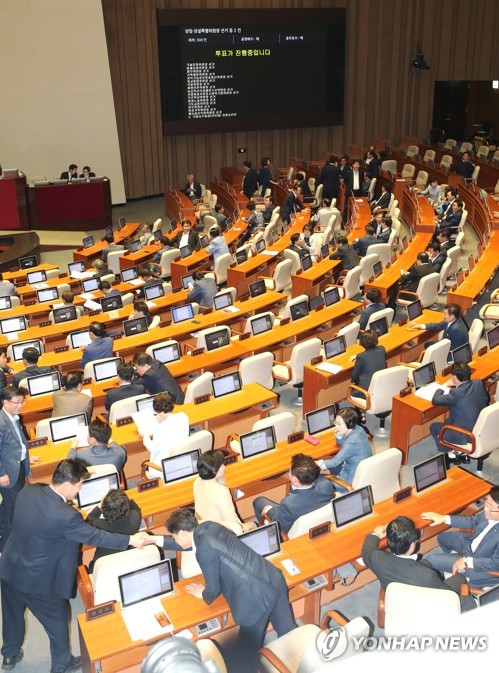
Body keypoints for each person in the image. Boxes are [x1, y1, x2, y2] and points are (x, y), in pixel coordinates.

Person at [0, 459, 149, 673]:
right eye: (80, 485)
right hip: (40, 583)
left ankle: (9, 654)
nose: (79, 490)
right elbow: (96, 535)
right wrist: (131, 540)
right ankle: (61, 665)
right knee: (58, 624)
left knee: (12, 615)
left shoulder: (28, 491)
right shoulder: (68, 516)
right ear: (70, 484)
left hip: (9, 567)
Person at [157, 509, 296, 667]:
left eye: (174, 537)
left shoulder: (204, 550)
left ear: (182, 533)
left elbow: (213, 589)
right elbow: (190, 545)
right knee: (287, 630)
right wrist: (153, 539)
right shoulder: (208, 527)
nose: (174, 541)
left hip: (254, 597)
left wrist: (202, 593)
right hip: (273, 578)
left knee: (246, 654)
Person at [361, 516, 473, 609]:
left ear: (388, 541)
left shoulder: (377, 558)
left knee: (428, 562)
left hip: (400, 603)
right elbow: (451, 598)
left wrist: (375, 534)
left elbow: (366, 551)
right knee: (460, 579)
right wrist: (473, 602)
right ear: (412, 545)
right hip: (425, 607)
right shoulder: (427, 576)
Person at [422, 485, 499, 588]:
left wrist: (467, 562)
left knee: (431, 559)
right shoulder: (489, 512)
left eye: (490, 507)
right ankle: (449, 565)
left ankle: (448, 575)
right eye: (486, 502)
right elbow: (473, 521)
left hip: (479, 562)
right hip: (471, 544)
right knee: (443, 538)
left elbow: (495, 564)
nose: (485, 508)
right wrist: (444, 518)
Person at [253, 453, 335, 534]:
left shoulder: (288, 504)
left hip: (291, 529)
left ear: (295, 480)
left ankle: (267, 535)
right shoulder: (326, 486)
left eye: (289, 470)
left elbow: (281, 526)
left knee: (258, 501)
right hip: (315, 523)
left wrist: (268, 509)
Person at [429, 362, 489, 464]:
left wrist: (445, 385)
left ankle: (451, 454)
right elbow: (485, 399)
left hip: (466, 435)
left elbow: (435, 400)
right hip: (480, 428)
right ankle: (460, 452)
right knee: (449, 420)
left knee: (434, 427)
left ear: (455, 378)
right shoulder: (478, 383)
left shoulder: (456, 393)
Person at [0, 387, 30, 552]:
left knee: (8, 507)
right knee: (14, 511)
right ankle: (5, 549)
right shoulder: (1, 422)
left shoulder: (13, 417)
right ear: (5, 402)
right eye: (17, 402)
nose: (20, 405)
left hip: (17, 467)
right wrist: (1, 474)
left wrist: (25, 456)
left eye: (22, 402)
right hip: (7, 473)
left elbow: (16, 443)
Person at [194, 450, 253, 533]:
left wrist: (219, 476)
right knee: (253, 525)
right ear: (214, 469)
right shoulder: (221, 491)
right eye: (221, 465)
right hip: (222, 532)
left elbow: (218, 483)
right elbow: (233, 521)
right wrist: (244, 527)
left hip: (206, 529)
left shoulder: (197, 482)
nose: (224, 467)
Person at [317, 408, 372, 491]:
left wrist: (316, 464)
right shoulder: (359, 429)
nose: (336, 426)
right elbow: (342, 443)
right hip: (357, 469)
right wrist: (339, 436)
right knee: (326, 464)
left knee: (319, 485)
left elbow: (334, 462)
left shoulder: (351, 442)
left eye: (339, 424)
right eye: (335, 423)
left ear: (349, 423)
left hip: (349, 481)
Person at [87, 489, 142, 571]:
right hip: (128, 564)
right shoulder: (135, 518)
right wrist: (126, 498)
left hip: (103, 566)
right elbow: (136, 509)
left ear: (104, 508)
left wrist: (99, 505)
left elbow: (88, 520)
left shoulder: (98, 525)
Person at [138, 393, 189, 477]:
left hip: (163, 468)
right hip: (181, 461)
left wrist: (144, 436)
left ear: (159, 411)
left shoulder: (161, 429)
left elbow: (153, 448)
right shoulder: (183, 416)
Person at [351, 329, 387, 397]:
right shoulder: (382, 349)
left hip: (366, 391)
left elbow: (354, 378)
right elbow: (372, 356)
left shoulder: (361, 357)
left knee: (352, 393)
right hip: (381, 385)